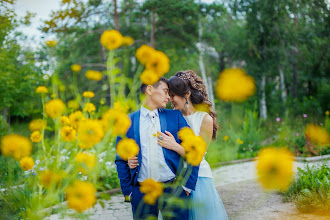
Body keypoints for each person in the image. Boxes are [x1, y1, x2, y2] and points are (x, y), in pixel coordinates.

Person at [129, 70, 228, 220]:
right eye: (168, 94)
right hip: (175, 178)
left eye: (173, 95)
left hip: (199, 177)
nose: (170, 99)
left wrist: (174, 146)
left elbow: (198, 156)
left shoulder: (205, 119)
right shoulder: (171, 116)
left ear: (186, 95)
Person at [115, 77, 199, 220]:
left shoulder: (175, 117)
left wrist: (186, 187)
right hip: (142, 193)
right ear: (150, 89)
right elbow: (120, 160)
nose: (168, 97)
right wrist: (129, 192)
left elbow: (195, 151)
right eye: (166, 91)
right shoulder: (127, 122)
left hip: (173, 189)